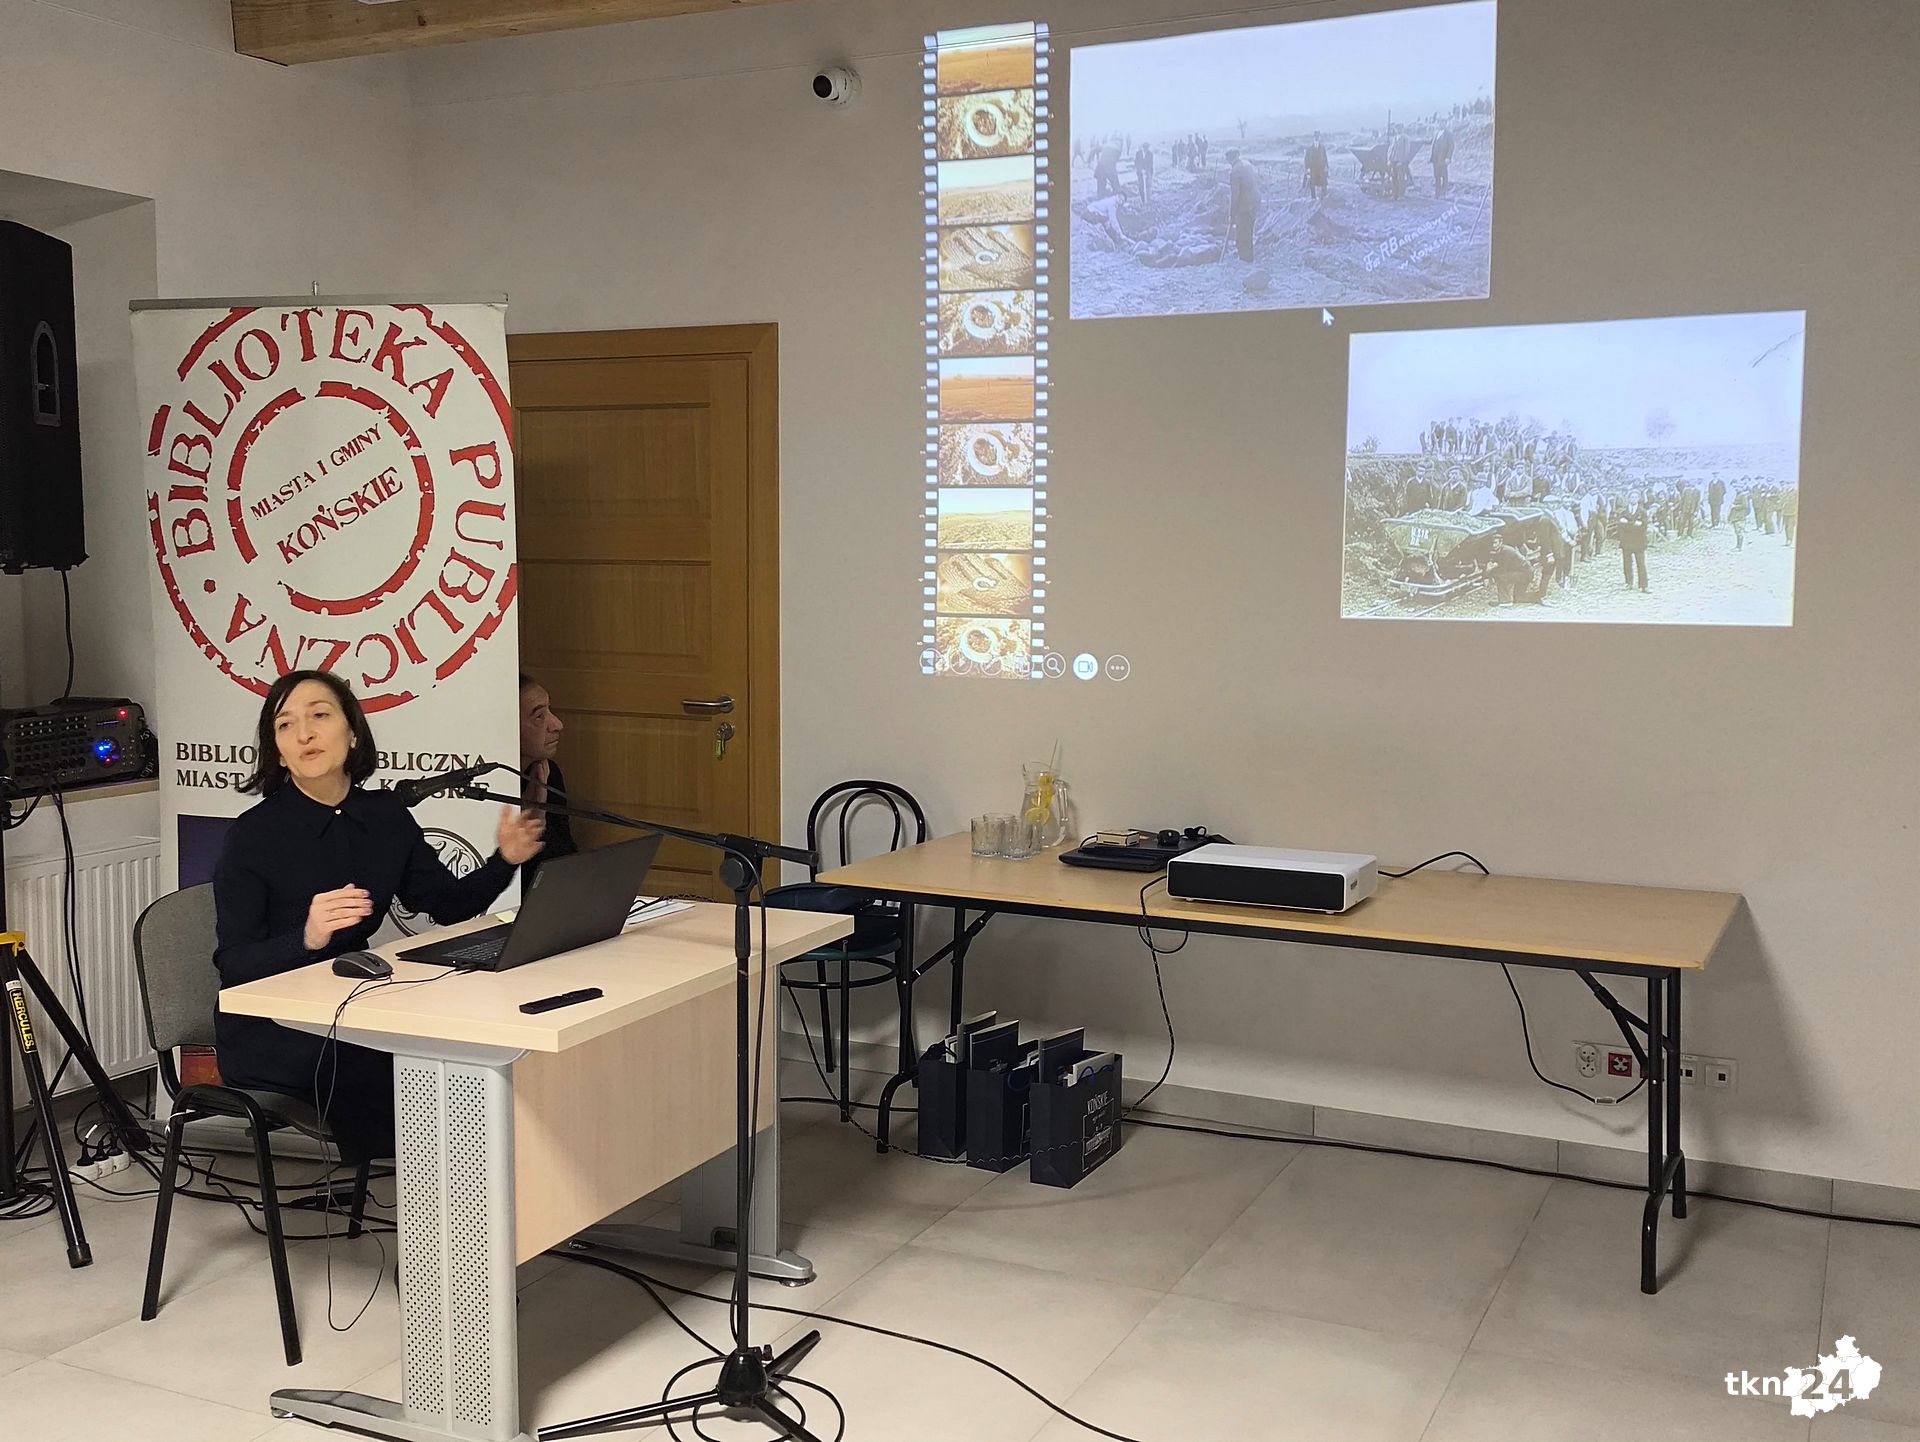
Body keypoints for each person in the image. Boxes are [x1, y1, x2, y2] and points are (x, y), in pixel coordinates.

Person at [212, 671, 544, 1161]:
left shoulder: (384, 815)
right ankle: (440, 1190)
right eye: (285, 725)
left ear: (352, 733)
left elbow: (447, 904)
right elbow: (234, 966)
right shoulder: (252, 836)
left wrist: (504, 860)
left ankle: (484, 1187)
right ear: (278, 753)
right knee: (408, 1066)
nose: (304, 733)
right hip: (274, 1027)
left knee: (461, 1045)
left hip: (355, 1004)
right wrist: (306, 937)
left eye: (319, 715)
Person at [519, 673, 578, 885]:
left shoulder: (547, 773)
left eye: (550, 711)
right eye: (539, 716)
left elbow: (565, 863)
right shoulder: (481, 786)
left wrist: (540, 819)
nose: (557, 724)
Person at [1226, 147, 1259, 261]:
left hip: (1245, 206)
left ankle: (1245, 260)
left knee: (1241, 236)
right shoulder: (1247, 164)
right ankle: (1249, 257)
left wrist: (1232, 214)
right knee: (1248, 233)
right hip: (1254, 203)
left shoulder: (1235, 172)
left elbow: (1234, 195)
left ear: (1229, 159)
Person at [1486, 536, 1532, 605]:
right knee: (1518, 598)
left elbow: (1503, 569)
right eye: (1492, 543)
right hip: (1521, 571)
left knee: (1501, 577)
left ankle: (1505, 601)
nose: (1493, 545)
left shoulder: (1506, 551)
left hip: (1525, 572)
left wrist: (1490, 573)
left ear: (1501, 542)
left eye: (1495, 543)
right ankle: (1538, 596)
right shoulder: (1500, 550)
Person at [1618, 497, 1650, 590]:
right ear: (1629, 499)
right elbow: (1620, 526)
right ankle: (1629, 583)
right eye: (1631, 497)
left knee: (1641, 564)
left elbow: (1644, 526)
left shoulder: (1642, 512)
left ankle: (1643, 585)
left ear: (1638, 499)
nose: (1633, 499)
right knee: (1627, 564)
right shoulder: (1624, 512)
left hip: (1638, 542)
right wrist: (1633, 524)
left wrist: (1628, 524)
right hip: (1627, 542)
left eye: (1635, 497)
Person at [1303, 132, 1329, 200]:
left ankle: (1323, 198)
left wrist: (1326, 166)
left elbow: (1325, 158)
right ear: (1313, 138)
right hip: (1313, 169)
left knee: (1323, 182)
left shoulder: (1322, 148)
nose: (1317, 138)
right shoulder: (1309, 149)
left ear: (1320, 137)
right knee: (1312, 183)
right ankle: (1313, 198)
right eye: (1315, 136)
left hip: (1321, 168)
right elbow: (1306, 159)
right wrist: (1307, 168)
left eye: (1318, 136)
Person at [1430, 125, 1453, 196]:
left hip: (1443, 159)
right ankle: (1437, 192)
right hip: (1435, 159)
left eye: (1443, 122)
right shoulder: (1436, 133)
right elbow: (1433, 144)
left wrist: (1448, 157)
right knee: (1437, 176)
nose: (1441, 124)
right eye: (1439, 122)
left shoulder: (1448, 134)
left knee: (1444, 176)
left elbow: (1451, 146)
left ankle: (1443, 193)